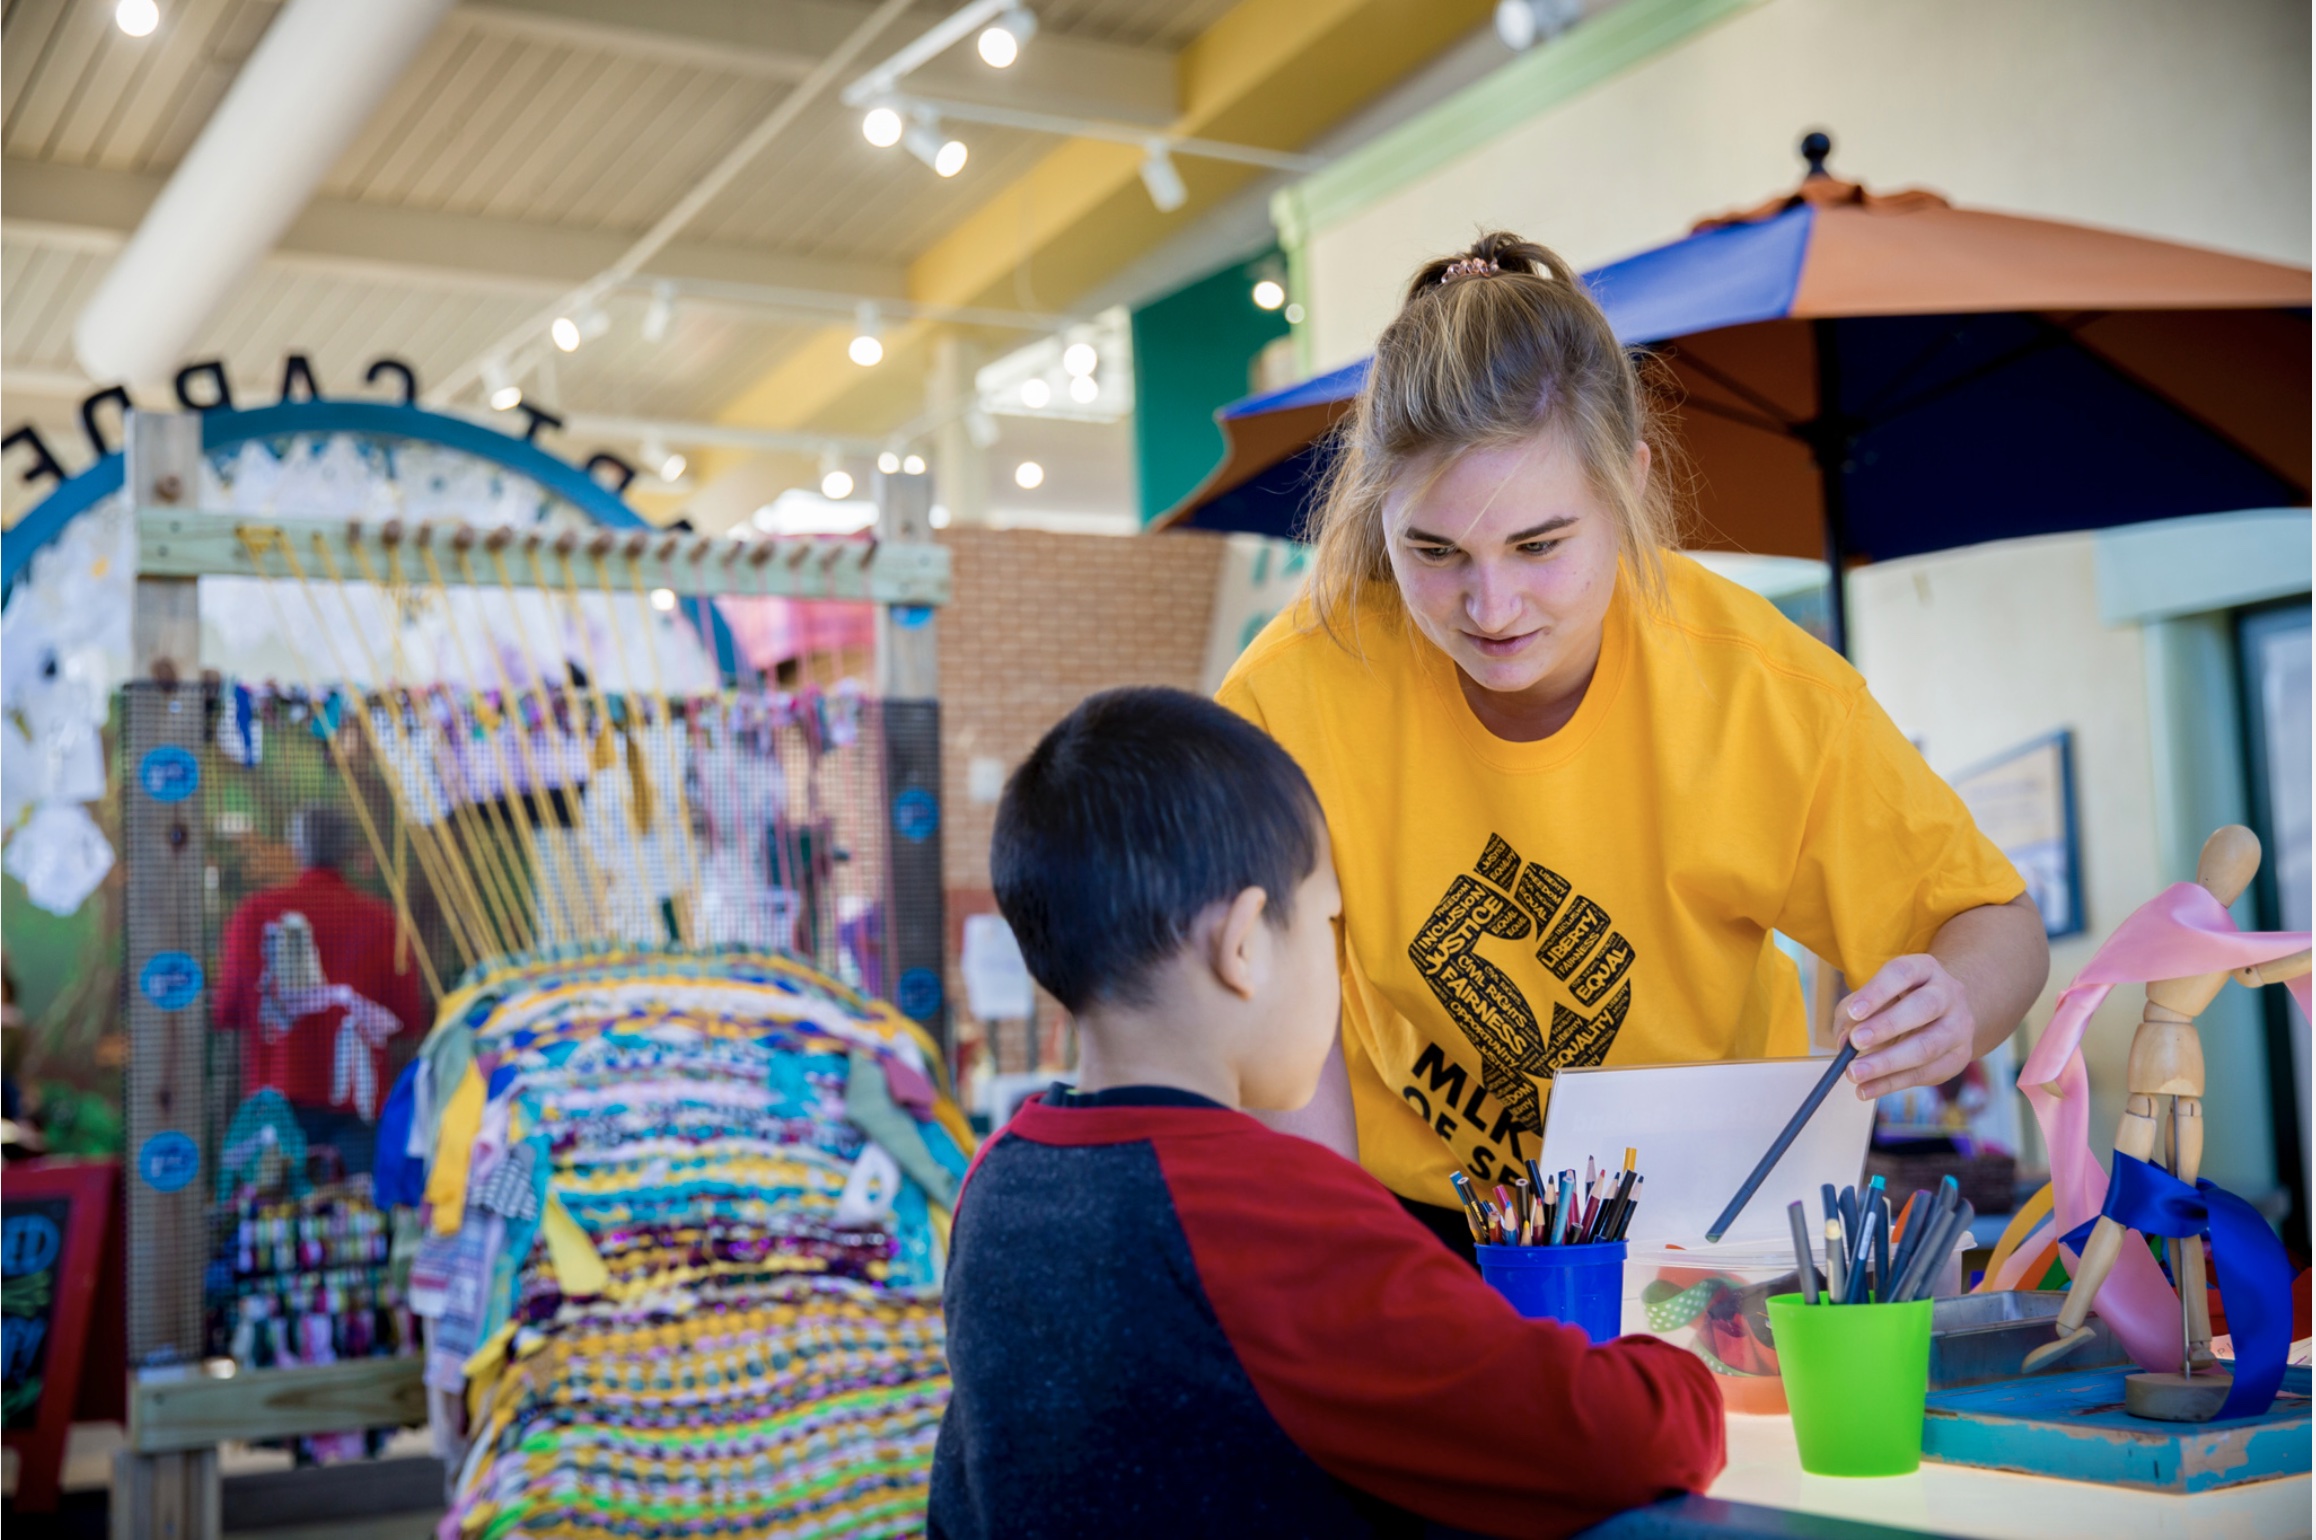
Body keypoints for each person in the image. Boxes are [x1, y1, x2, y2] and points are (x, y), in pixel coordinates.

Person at [1217, 233, 2050, 1258]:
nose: (1491, 606)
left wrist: (1955, 1003)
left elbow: (1997, 925)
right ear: (1374, 509)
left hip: (1712, 1220)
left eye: (1539, 545)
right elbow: (1275, 1028)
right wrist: (1345, 1263)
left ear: (1629, 486)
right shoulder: (1289, 695)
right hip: (1420, 1219)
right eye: (1434, 551)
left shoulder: (1763, 691)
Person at [929, 688, 1723, 1540]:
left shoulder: (999, 1181)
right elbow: (1620, 1438)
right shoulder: (1266, 1212)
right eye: (1329, 923)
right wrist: (1685, 1375)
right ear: (1244, 944)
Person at [216, 806, 425, 1177]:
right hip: (357, 1108)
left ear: (295, 847)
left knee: (275, 1212)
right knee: (358, 1212)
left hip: (277, 1106)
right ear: (348, 850)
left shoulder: (254, 915)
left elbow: (227, 1010)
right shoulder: (383, 921)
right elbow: (407, 1020)